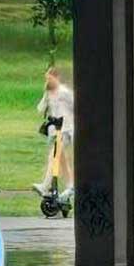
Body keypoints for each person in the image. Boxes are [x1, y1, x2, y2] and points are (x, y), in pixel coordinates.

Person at [32, 67, 75, 200]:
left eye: (50, 78)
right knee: (61, 160)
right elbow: (40, 108)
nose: (48, 81)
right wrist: (45, 95)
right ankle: (71, 185)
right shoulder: (49, 92)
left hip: (65, 129)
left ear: (56, 77)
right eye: (46, 79)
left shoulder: (64, 92)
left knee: (54, 156)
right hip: (54, 130)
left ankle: (45, 185)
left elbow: (76, 106)